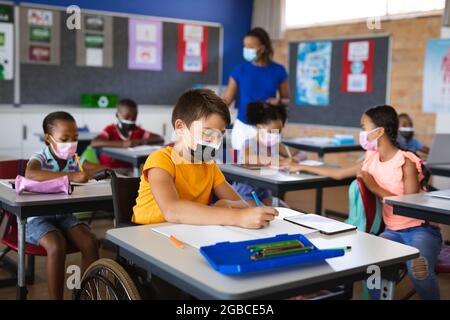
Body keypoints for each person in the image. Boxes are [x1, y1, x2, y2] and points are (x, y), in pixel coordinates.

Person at [287, 105, 442, 300]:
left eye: (363, 127)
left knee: (419, 268)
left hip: (421, 230)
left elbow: (410, 205)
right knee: (372, 267)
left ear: (379, 131)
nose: (361, 133)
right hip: (392, 231)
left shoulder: (406, 160)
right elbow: (339, 173)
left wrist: (373, 186)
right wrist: (297, 166)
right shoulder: (371, 159)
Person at [131, 89, 278, 227]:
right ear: (180, 128)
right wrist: (237, 217)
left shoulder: (209, 165)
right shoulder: (161, 160)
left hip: (185, 233)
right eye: (208, 134)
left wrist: (225, 204)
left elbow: (241, 204)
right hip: (148, 235)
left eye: (219, 135)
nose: (215, 142)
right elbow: (172, 210)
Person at [25, 111, 101, 299]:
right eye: (64, 138)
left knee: (90, 241)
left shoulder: (74, 159)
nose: (71, 143)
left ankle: (86, 294)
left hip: (64, 216)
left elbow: (94, 167)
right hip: (37, 217)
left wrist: (96, 172)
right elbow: (31, 174)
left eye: (75, 138)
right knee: (56, 245)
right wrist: (71, 176)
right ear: (48, 138)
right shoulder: (40, 157)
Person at [223, 27, 290, 151]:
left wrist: (279, 102)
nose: (246, 49)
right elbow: (227, 99)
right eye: (245, 46)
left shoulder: (278, 70)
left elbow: (287, 100)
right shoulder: (240, 70)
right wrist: (209, 111)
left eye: (250, 46)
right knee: (241, 165)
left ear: (262, 48)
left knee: (268, 165)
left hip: (268, 128)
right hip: (243, 126)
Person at [233, 101, 306, 205]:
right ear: (259, 127)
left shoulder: (275, 145)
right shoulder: (249, 143)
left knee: (284, 209)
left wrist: (295, 159)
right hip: (244, 193)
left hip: (264, 193)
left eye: (278, 132)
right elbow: (247, 159)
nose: (275, 135)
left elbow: (302, 153)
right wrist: (279, 162)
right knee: (263, 213)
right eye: (271, 132)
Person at [91, 98, 164, 168]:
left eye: (134, 117)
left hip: (130, 169)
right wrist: (123, 144)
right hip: (110, 168)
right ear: (117, 115)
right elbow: (95, 142)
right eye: (127, 117)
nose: (131, 120)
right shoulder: (110, 129)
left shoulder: (137, 130)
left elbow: (159, 138)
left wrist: (139, 141)